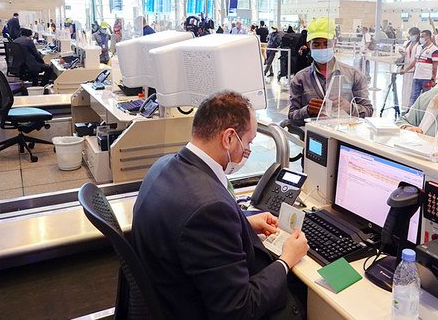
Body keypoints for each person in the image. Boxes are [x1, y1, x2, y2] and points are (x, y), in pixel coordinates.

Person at [132, 91, 309, 319]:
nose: (248, 150)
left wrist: (242, 222)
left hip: (172, 295)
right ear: (228, 138)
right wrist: (287, 260)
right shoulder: (210, 209)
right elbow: (238, 309)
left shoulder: (163, 166)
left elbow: (187, 228)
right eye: (248, 142)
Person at [289, 17, 373, 127]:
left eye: (326, 43)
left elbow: (368, 111)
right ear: (309, 45)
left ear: (335, 42)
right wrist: (307, 111)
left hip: (344, 136)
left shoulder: (354, 75)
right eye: (316, 44)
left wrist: (350, 107)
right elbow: (292, 117)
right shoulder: (300, 79)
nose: (322, 48)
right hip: (314, 136)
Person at [405, 29, 438, 106]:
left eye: (422, 36)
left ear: (428, 37)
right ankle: (410, 113)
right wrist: (406, 70)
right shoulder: (419, 47)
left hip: (426, 78)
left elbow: (435, 66)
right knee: (413, 96)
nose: (420, 38)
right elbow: (415, 61)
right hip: (416, 76)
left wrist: (433, 79)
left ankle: (423, 114)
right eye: (420, 36)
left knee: (425, 98)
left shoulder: (434, 50)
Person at [399, 27, 421, 111]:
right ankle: (405, 105)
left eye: (413, 35)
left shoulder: (419, 45)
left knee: (413, 88)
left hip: (415, 69)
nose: (411, 36)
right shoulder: (408, 43)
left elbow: (416, 58)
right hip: (406, 67)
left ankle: (411, 107)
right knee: (406, 87)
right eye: (410, 35)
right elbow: (406, 54)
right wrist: (402, 54)